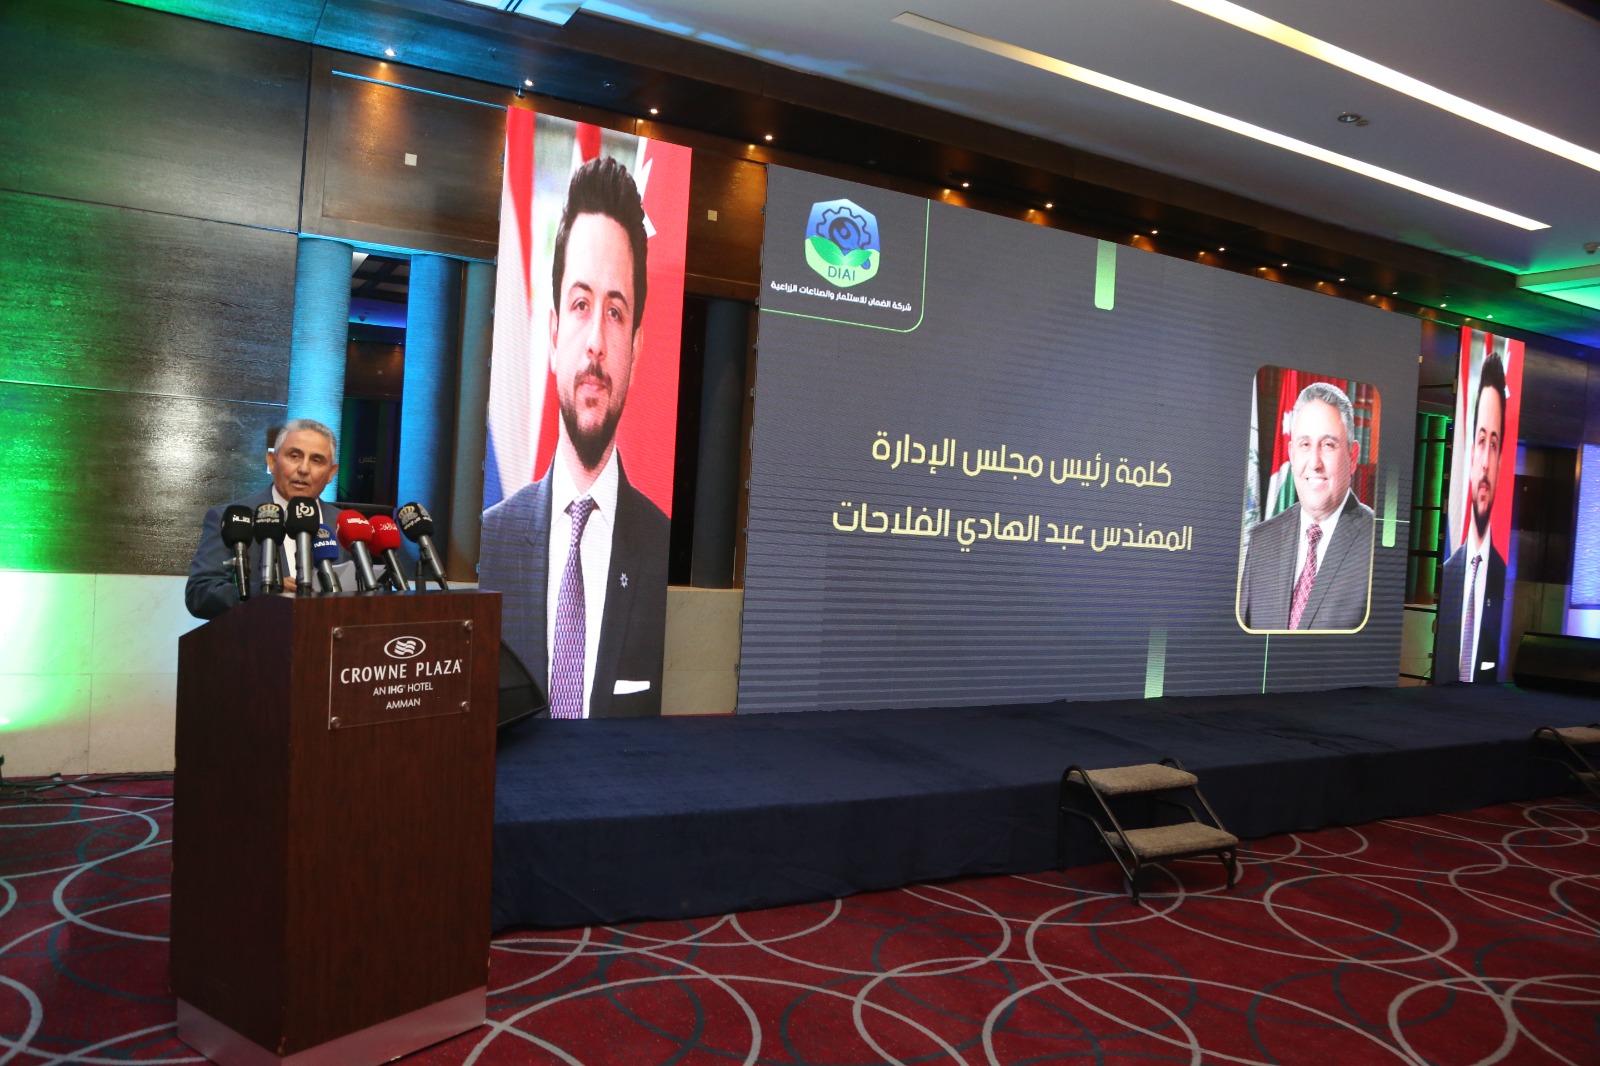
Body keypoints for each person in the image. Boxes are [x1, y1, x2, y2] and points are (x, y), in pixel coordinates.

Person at [479, 156, 669, 718]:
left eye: (615, 312)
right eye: (582, 305)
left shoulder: (662, 548)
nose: (595, 343)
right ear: (554, 330)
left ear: (636, 348)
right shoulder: (493, 539)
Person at [1238, 381, 1376, 632]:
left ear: (1352, 456)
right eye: (1305, 444)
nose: (1314, 462)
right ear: (1291, 453)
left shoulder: (1378, 545)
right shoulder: (1261, 541)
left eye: (1328, 445)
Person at [185, 418, 346, 619]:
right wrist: (265, 593)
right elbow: (199, 594)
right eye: (294, 456)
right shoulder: (230, 517)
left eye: (316, 460)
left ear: (331, 473)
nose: (304, 469)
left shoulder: (345, 525)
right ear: (272, 461)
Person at [1436, 354, 1507, 682]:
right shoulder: (1449, 572)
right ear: (1470, 453)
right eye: (1481, 441)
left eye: (1494, 444)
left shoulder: (1502, 574)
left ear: (1500, 459)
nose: (1485, 462)